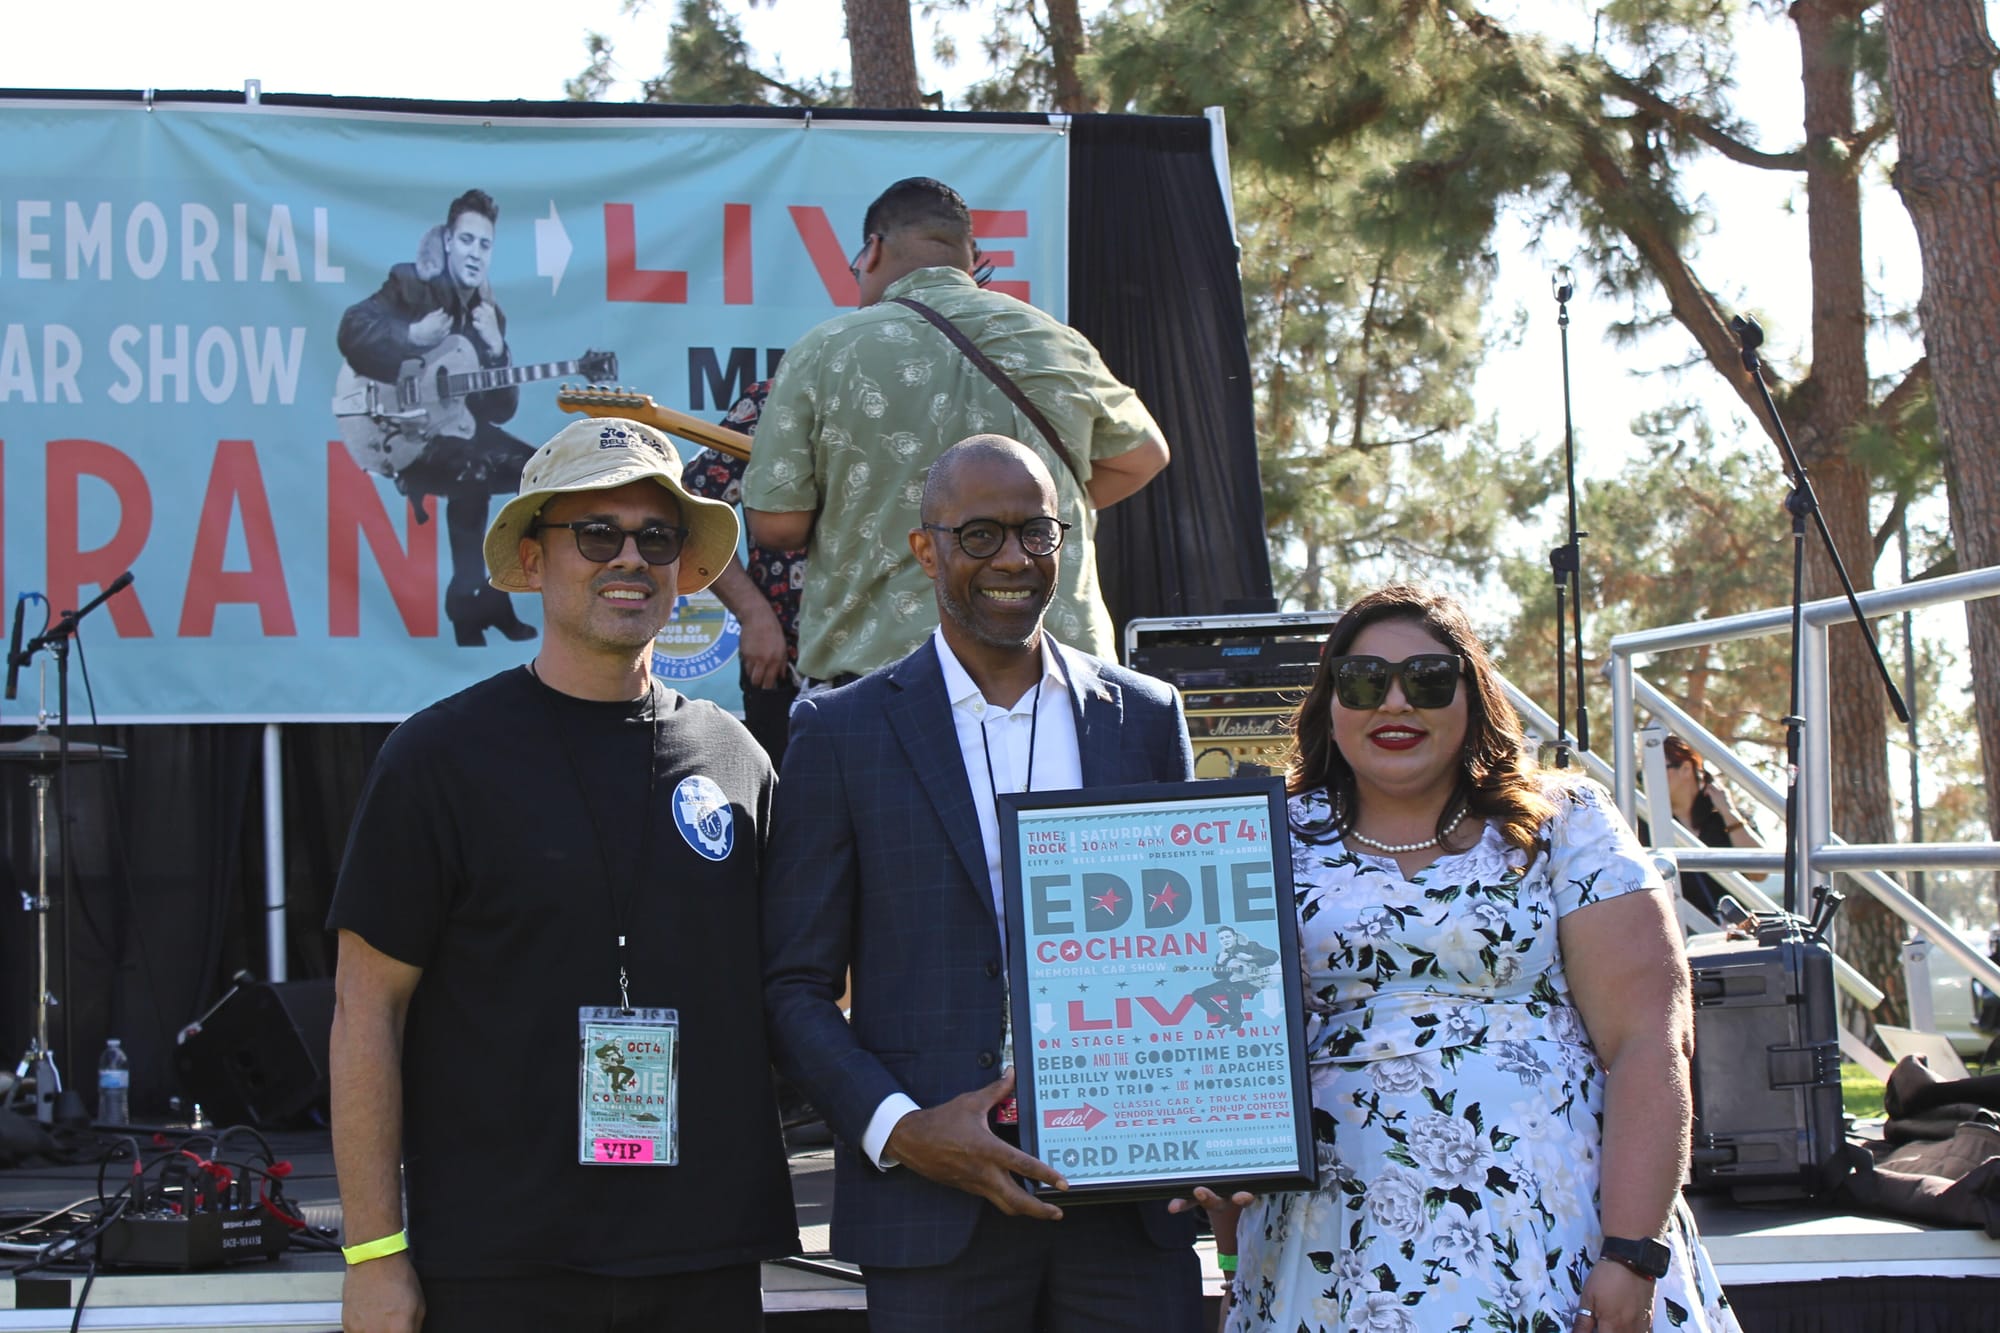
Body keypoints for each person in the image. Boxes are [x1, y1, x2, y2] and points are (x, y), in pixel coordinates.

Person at [327, 417, 797, 1333]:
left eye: (655, 536)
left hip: (703, 1255)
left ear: (682, 565)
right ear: (535, 560)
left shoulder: (735, 756)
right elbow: (363, 1011)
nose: (629, 557)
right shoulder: (437, 760)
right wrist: (374, 1254)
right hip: (500, 1263)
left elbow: (811, 987)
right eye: (596, 533)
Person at [760, 435, 1202, 1332]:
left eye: (1035, 534)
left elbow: (1193, 962)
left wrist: (1227, 1130)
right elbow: (792, 986)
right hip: (931, 1214)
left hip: (1125, 1209)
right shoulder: (841, 735)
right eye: (981, 535)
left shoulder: (1147, 719)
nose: (1012, 559)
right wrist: (899, 1128)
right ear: (927, 549)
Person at [1210, 585, 1740, 1333]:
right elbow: (1211, 1037)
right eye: (1363, 680)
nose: (1395, 703)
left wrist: (1631, 1252)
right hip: (1327, 1248)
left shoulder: (1565, 821)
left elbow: (1650, 1038)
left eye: (1427, 678)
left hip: (1555, 1232)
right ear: (1330, 701)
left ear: (1473, 694)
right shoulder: (1257, 836)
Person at [741, 176, 1169, 688]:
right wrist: (1025, 517)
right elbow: (1145, 456)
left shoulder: (826, 350)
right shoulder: (1054, 339)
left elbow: (776, 526)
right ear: (972, 257)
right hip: (1056, 671)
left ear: (872, 250)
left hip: (884, 672)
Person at [337, 188, 536, 648]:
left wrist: (496, 350)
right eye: (466, 240)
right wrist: (409, 334)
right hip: (398, 430)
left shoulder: (489, 314)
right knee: (472, 470)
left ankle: (487, 594)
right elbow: (352, 329)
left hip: (457, 428)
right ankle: (467, 601)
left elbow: (498, 409)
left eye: (484, 245)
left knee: (541, 476)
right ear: (447, 240)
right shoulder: (410, 285)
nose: (474, 253)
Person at [679, 381, 806, 766]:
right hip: (786, 670)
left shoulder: (935, 396)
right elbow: (691, 507)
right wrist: (753, 612)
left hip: (910, 670)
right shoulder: (778, 399)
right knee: (786, 819)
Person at [1661, 734, 1765, 920]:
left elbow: (1760, 872)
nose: (1645, 779)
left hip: (1736, 932)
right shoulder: (1647, 823)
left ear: (1685, 769)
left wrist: (1728, 813)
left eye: (1655, 769)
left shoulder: (1725, 817)